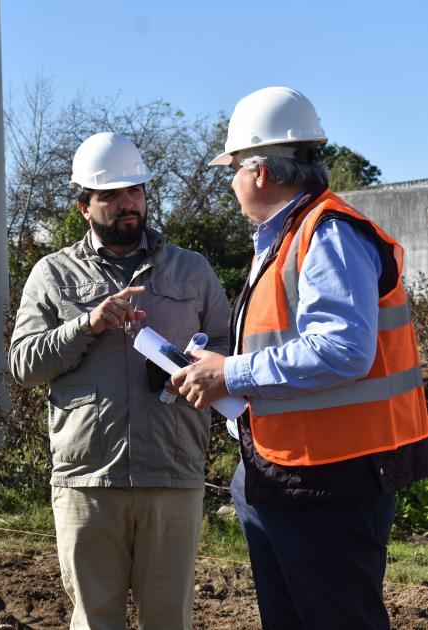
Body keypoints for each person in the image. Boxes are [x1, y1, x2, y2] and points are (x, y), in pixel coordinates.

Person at [172, 86, 428, 630]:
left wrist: (231, 371)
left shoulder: (328, 233)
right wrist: (220, 364)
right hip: (287, 473)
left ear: (260, 173)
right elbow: (290, 343)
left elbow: (342, 349)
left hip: (332, 482)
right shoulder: (288, 236)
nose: (233, 181)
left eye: (234, 168)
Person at [9, 132, 231, 629]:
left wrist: (199, 364)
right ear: (84, 205)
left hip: (172, 475)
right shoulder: (53, 274)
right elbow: (23, 363)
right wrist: (87, 324)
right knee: (95, 620)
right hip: (88, 482)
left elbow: (228, 349)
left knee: (168, 621)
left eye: (135, 191)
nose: (127, 203)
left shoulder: (192, 270)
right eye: (111, 195)